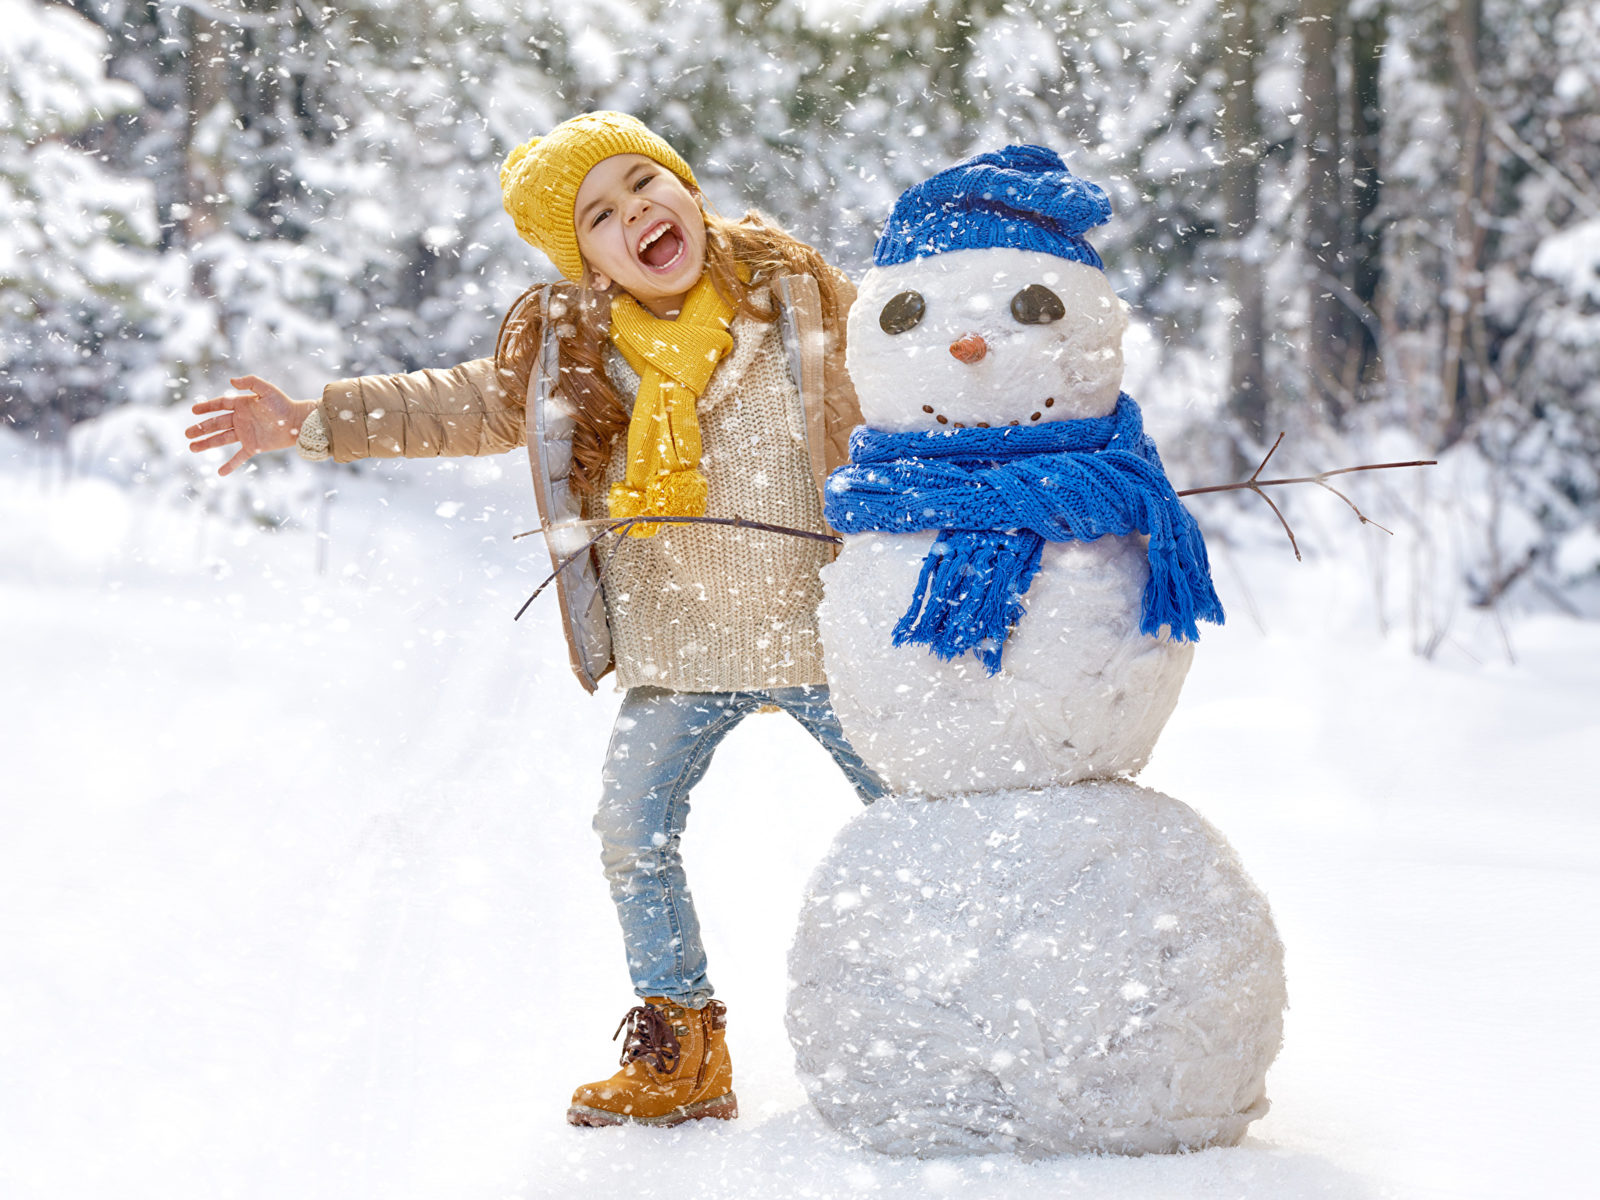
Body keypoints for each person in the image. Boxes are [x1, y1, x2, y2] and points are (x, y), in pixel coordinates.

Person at [184, 111, 883, 1129]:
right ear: (586, 261)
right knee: (630, 833)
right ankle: (681, 1048)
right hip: (680, 648)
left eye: (645, 181)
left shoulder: (801, 301)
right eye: (599, 214)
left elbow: (915, 374)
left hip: (824, 634)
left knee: (920, 809)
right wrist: (312, 420)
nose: (635, 211)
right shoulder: (582, 351)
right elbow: (464, 404)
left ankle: (974, 992)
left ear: (686, 187)